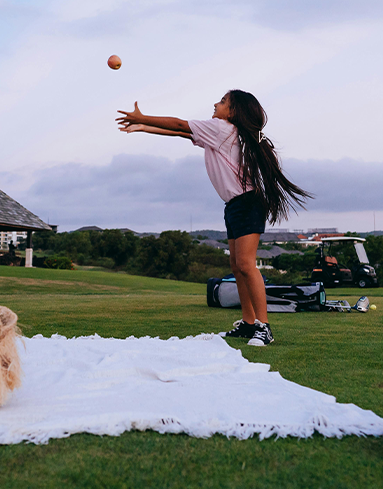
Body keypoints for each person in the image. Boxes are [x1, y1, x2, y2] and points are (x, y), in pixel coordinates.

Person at [116, 90, 311, 346]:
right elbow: (181, 133)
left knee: (246, 264)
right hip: (234, 205)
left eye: (222, 101)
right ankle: (248, 324)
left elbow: (178, 124)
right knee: (236, 266)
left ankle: (264, 327)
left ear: (232, 112)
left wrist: (144, 117)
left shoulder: (221, 129)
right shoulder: (221, 133)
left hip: (247, 204)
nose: (216, 104)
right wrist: (144, 127)